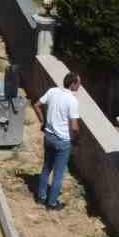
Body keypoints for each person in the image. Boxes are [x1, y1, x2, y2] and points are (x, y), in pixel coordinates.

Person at [33, 72, 82, 210]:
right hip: (63, 142)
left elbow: (36, 105)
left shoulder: (52, 91)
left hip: (48, 137)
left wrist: (43, 122)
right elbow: (74, 126)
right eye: (78, 83)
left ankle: (41, 198)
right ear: (73, 84)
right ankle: (52, 203)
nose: (80, 86)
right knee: (58, 174)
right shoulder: (72, 101)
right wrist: (76, 140)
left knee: (46, 168)